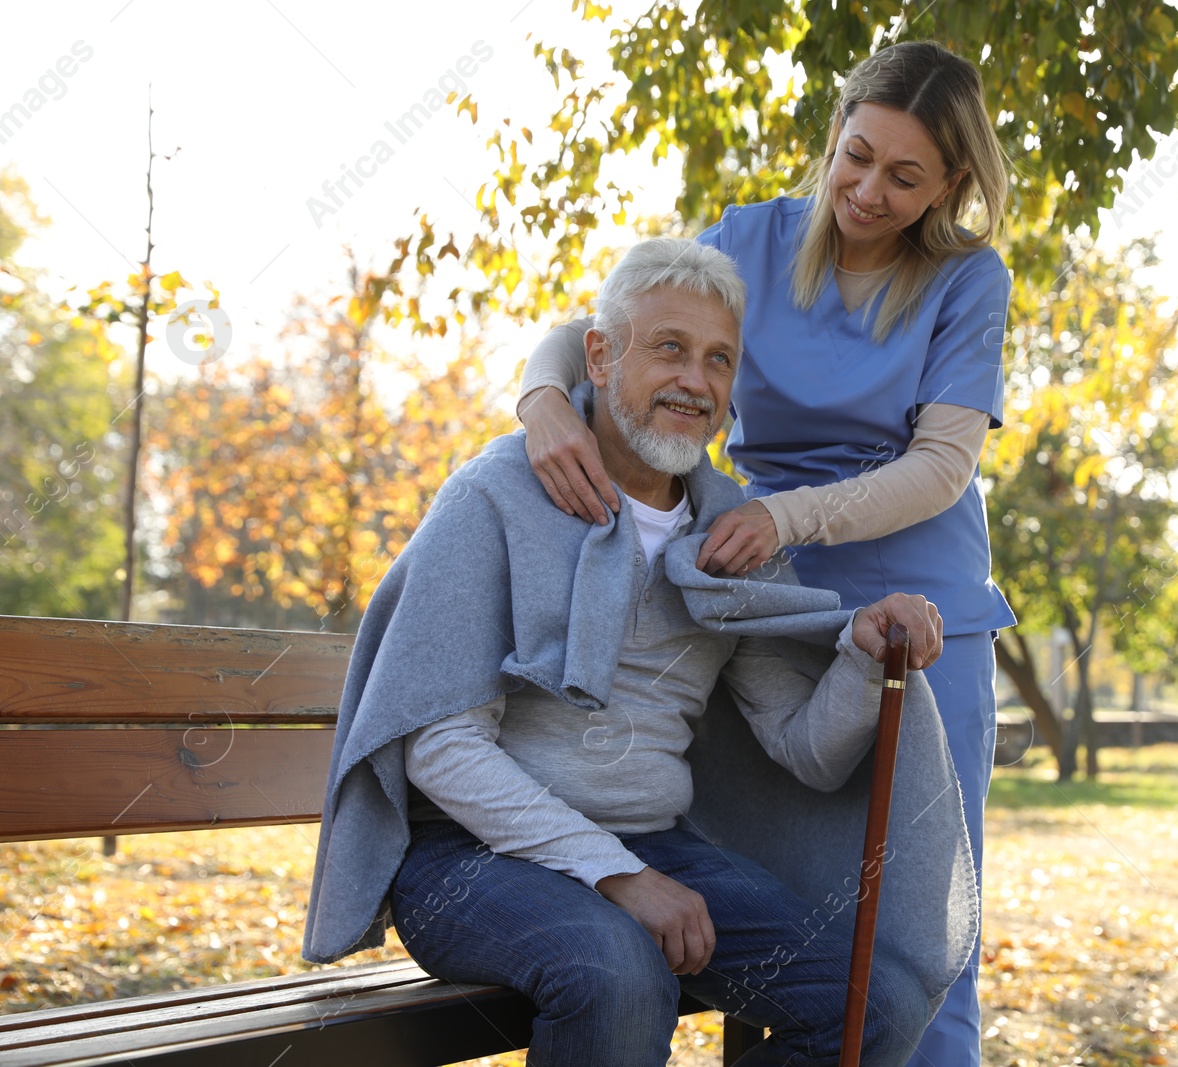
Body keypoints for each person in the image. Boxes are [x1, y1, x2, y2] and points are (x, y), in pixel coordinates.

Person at [303, 237, 982, 1067]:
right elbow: (439, 747)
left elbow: (806, 750)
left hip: (655, 841)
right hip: (467, 857)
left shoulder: (730, 533)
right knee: (621, 974)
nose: (694, 381)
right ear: (599, 354)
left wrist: (862, 654)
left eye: (718, 360)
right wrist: (616, 876)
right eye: (669, 348)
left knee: (874, 1003)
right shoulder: (495, 495)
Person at [516, 40, 1012, 1064]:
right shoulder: (748, 238)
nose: (869, 190)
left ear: (952, 184)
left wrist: (786, 517)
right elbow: (595, 330)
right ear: (833, 135)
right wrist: (539, 407)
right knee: (777, 899)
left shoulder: (967, 280)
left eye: (905, 175)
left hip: (920, 622)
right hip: (756, 610)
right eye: (857, 155)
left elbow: (939, 468)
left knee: (918, 922)